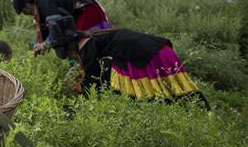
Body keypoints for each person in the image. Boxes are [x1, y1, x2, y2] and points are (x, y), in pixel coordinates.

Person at [44, 17, 206, 105]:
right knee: (178, 88)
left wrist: (79, 92)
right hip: (161, 50)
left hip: (149, 55)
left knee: (153, 97)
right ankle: (203, 111)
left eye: (69, 55)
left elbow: (92, 83)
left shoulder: (86, 47)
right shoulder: (94, 37)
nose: (72, 58)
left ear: (70, 48)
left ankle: (194, 112)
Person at [11, 0, 111, 55]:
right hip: (77, 16)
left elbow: (57, 28)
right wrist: (36, 46)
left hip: (87, 9)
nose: (25, 14)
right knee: (80, 46)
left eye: (23, 11)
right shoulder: (40, 10)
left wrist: (45, 45)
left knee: (88, 45)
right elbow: (46, 34)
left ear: (27, 5)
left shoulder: (45, 2)